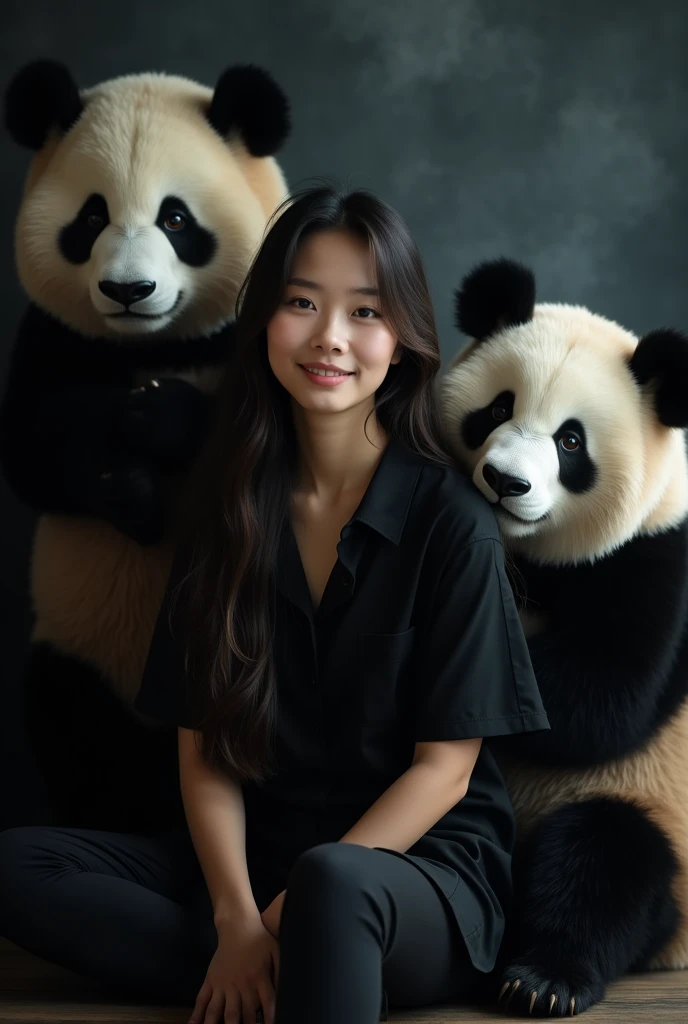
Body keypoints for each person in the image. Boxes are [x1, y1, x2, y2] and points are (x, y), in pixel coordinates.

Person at [0, 185, 550, 1024]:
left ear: (400, 342)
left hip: (415, 878)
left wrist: (290, 911)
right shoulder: (225, 508)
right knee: (18, 866)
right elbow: (205, 751)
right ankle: (270, 968)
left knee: (334, 885)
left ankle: (290, 952)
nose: (329, 337)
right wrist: (236, 921)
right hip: (256, 862)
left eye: (364, 311)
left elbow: (445, 771)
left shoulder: (453, 522)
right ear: (263, 324)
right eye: (300, 303)